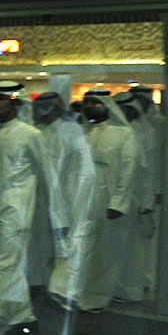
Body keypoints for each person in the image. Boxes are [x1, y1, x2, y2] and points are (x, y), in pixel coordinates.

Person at [0, 82, 63, 335]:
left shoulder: (30, 135)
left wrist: (60, 218)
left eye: (2, 98)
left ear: (16, 101)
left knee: (4, 264)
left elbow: (49, 177)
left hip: (16, 211)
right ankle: (23, 316)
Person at [29, 91, 97, 312]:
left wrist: (73, 199)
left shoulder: (71, 130)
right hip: (42, 195)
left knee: (70, 242)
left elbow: (83, 170)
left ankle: (65, 292)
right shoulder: (38, 131)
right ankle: (42, 283)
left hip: (70, 195)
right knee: (42, 241)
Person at [79, 89, 138, 313]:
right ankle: (81, 293)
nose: (90, 107)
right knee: (84, 248)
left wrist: (118, 202)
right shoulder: (84, 134)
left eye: (95, 102)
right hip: (84, 199)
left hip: (107, 198)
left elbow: (128, 169)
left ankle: (97, 296)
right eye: (87, 103)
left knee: (105, 250)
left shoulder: (123, 134)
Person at [114, 90, 159, 302]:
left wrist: (147, 203)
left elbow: (147, 171)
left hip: (137, 199)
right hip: (121, 200)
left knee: (135, 249)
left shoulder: (144, 132)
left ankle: (132, 289)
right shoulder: (122, 131)